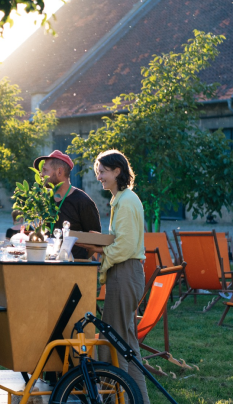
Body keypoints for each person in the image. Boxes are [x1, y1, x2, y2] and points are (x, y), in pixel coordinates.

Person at [79, 149, 150, 403]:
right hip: (124, 272)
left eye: (103, 171)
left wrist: (96, 249)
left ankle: (114, 398)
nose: (99, 176)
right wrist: (98, 244)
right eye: (98, 170)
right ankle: (136, 399)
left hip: (126, 271)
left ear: (117, 171)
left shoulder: (127, 200)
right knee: (126, 343)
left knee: (115, 341)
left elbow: (124, 246)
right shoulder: (121, 199)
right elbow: (119, 242)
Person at [34, 150, 101, 259]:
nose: (41, 175)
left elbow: (96, 241)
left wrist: (79, 261)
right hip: (46, 266)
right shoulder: (44, 200)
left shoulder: (83, 201)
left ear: (59, 172)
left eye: (45, 170)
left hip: (74, 270)